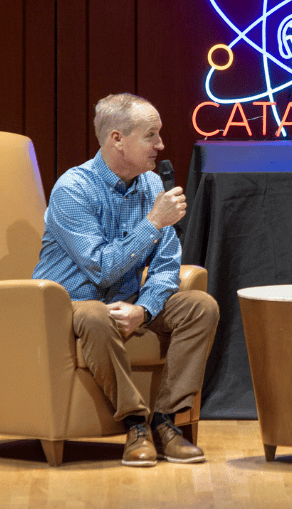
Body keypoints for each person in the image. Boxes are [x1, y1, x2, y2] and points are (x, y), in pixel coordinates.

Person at [34, 93, 219, 467]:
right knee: (95, 315)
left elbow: (166, 266)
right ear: (117, 138)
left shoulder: (151, 186)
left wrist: (144, 310)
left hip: (128, 302)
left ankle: (166, 422)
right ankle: (135, 424)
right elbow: (101, 268)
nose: (160, 145)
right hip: (71, 305)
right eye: (151, 135)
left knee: (201, 306)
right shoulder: (73, 189)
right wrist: (153, 222)